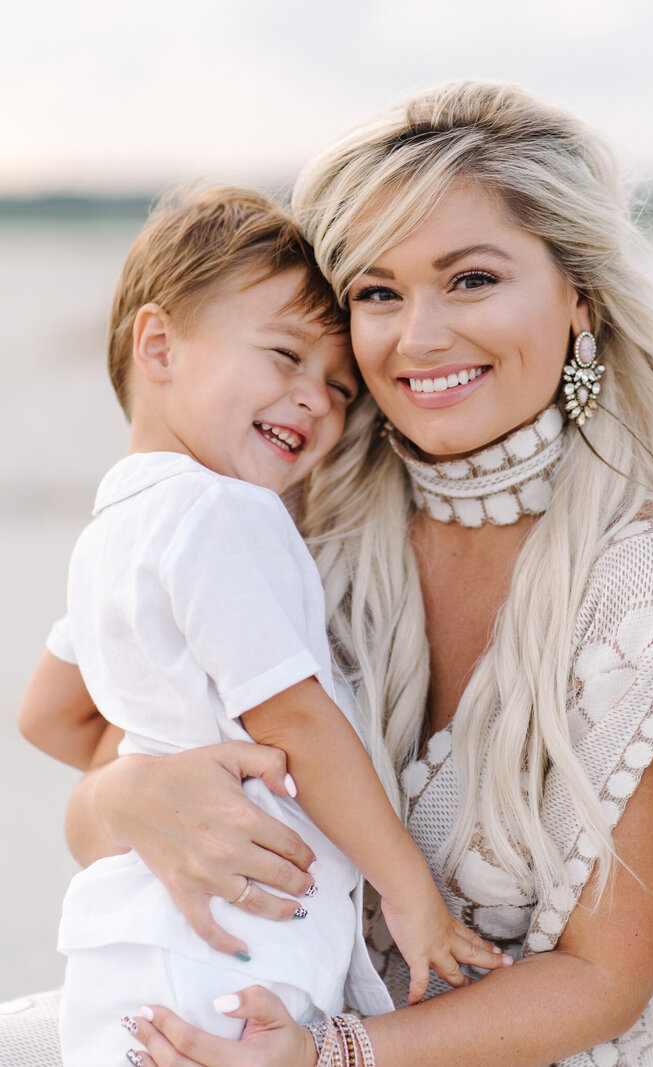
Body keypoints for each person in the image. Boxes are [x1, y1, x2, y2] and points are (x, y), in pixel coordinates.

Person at [17, 81, 653, 1067]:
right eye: (377, 293)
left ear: (577, 303)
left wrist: (332, 1051)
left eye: (469, 279)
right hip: (258, 1015)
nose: (417, 336)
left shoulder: (646, 579)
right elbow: (94, 758)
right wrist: (125, 799)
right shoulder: (297, 516)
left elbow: (604, 981)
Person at [17, 184, 508, 1067]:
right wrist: (411, 893)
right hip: (230, 940)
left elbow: (48, 715)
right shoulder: (225, 514)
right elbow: (298, 720)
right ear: (159, 345)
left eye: (337, 387)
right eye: (283, 355)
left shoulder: (113, 527)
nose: (314, 401)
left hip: (129, 941)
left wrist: (158, 760)